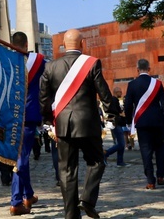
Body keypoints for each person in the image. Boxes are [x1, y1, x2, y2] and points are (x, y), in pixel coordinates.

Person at [40, 28, 112, 219]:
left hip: (63, 125)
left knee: (67, 170)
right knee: (97, 161)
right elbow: (104, 93)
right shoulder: (92, 63)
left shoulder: (50, 67)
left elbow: (43, 98)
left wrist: (49, 120)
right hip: (88, 124)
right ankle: (87, 200)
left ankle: (71, 215)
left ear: (63, 45)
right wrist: (112, 114)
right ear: (82, 44)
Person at [9, 31, 46, 215]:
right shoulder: (37, 62)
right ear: (26, 44)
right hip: (28, 116)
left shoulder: (5, 61)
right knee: (21, 160)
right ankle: (16, 201)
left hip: (10, 117)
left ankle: (28, 194)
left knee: (23, 157)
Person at [123, 59, 164, 190]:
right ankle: (160, 176)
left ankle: (151, 181)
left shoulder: (132, 84)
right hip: (158, 121)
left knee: (146, 151)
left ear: (137, 69)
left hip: (142, 122)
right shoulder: (157, 83)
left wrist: (128, 121)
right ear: (149, 69)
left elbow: (128, 105)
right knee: (160, 150)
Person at [103, 86, 128, 167]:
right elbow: (116, 112)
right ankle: (106, 153)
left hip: (116, 124)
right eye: (120, 91)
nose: (121, 93)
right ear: (116, 92)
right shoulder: (114, 100)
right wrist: (121, 113)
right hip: (116, 124)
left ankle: (120, 161)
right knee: (121, 144)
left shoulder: (113, 100)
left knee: (121, 143)